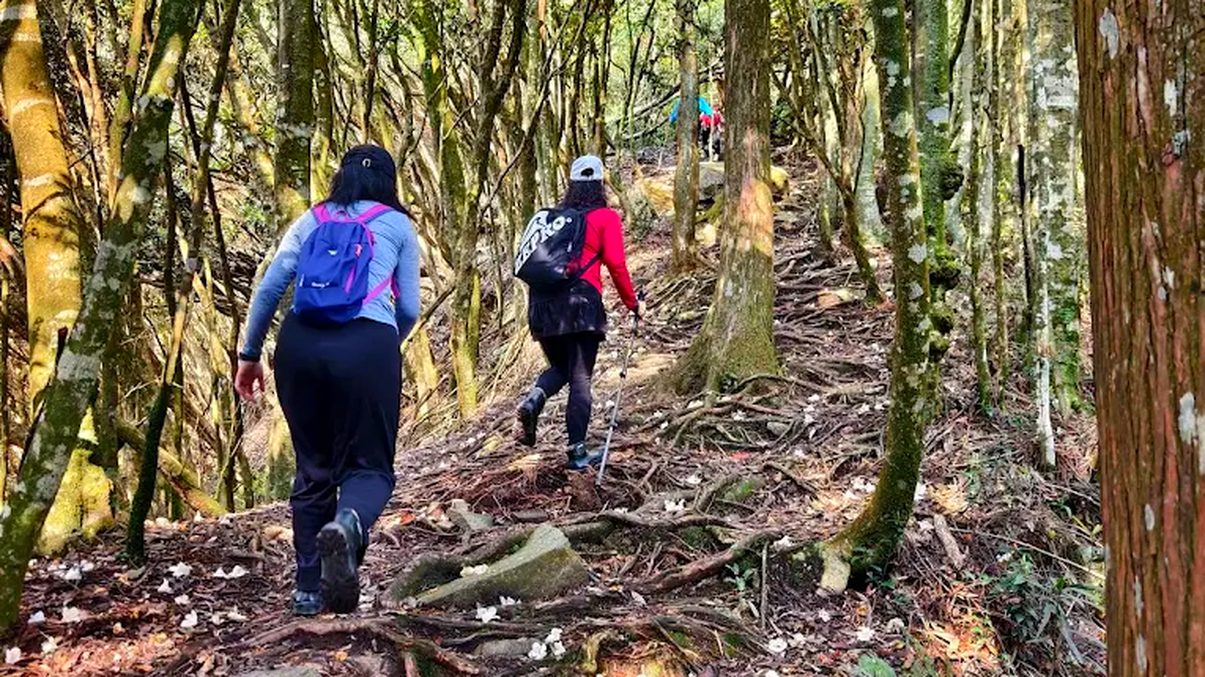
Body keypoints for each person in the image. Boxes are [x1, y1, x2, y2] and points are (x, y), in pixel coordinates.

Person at [234, 145, 421, 616]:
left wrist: (249, 355)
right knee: (369, 468)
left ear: (341, 178)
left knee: (313, 468)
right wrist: (383, 344)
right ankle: (349, 523)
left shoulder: (312, 219)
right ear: (389, 183)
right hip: (367, 345)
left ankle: (308, 590)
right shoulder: (397, 225)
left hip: (300, 345)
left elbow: (270, 288)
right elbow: (409, 308)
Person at [516, 155, 640, 470]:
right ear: (600, 183)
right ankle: (577, 452)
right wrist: (632, 303)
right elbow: (617, 265)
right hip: (580, 306)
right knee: (580, 378)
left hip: (542, 307)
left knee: (561, 367)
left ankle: (535, 397)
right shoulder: (605, 218)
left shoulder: (555, 221)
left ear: (571, 185)